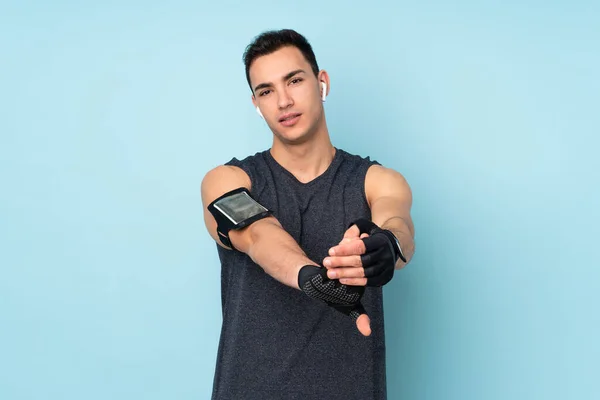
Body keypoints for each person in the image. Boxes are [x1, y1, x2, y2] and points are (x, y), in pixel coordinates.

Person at [201, 29, 415, 400]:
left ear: (321, 83)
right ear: (256, 102)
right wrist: (310, 278)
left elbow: (398, 222)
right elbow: (257, 234)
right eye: (266, 91)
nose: (283, 101)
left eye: (294, 80)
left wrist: (386, 245)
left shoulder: (377, 181)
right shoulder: (227, 180)